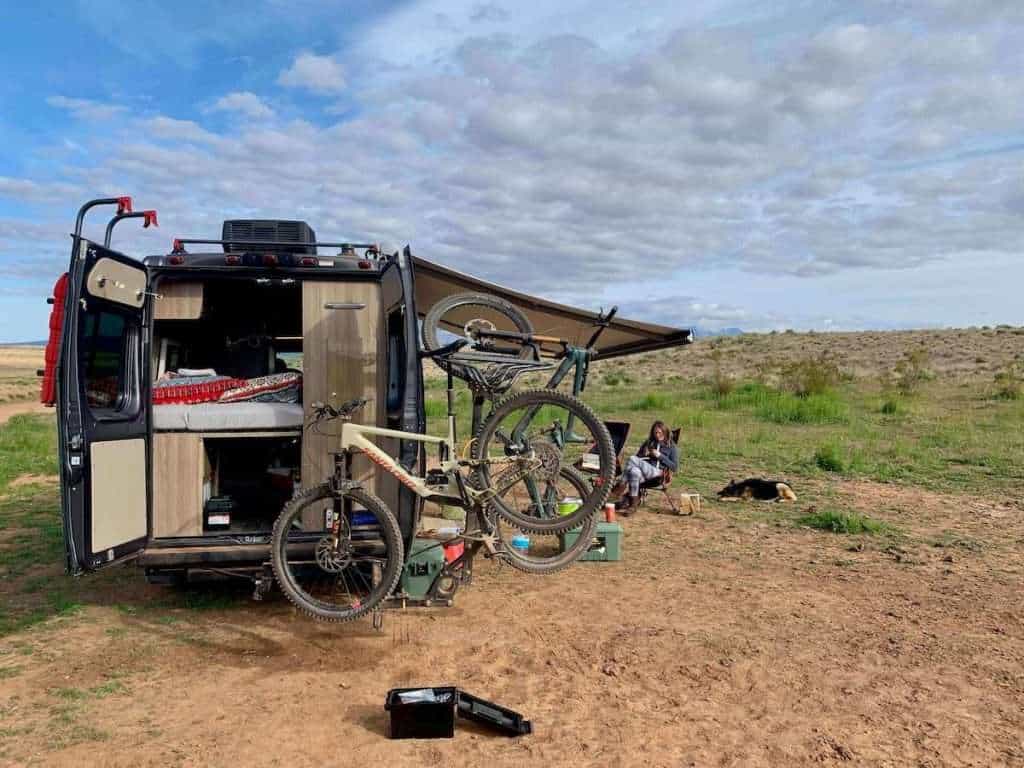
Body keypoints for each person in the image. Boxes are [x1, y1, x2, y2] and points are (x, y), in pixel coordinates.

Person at [618, 420, 678, 515]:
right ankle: (633, 505)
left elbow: (674, 467)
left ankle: (621, 485)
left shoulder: (671, 446)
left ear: (665, 432)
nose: (657, 435)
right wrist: (643, 454)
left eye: (660, 432)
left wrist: (660, 456)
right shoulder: (649, 442)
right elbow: (637, 458)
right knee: (634, 471)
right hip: (645, 471)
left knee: (631, 458)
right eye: (655, 433)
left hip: (658, 474)